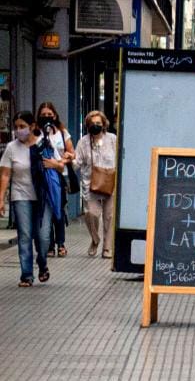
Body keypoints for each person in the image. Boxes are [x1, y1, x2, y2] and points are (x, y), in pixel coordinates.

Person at [0, 111, 66, 285]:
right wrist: (1, 199)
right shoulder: (11, 148)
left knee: (43, 237)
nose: (18, 130)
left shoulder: (44, 144)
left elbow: (61, 167)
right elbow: (5, 175)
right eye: (16, 127)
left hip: (43, 196)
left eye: (22, 126)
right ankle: (26, 275)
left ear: (33, 126)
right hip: (21, 195)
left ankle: (42, 263)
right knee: (25, 235)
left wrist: (53, 163)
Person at [74, 110, 116, 258]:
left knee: (109, 217)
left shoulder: (112, 139)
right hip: (90, 184)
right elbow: (76, 162)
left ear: (104, 124)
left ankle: (107, 248)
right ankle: (95, 239)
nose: (95, 126)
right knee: (91, 213)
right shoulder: (83, 142)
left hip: (110, 183)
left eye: (98, 123)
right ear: (87, 125)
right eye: (92, 123)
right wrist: (67, 161)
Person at [36, 102, 75, 257]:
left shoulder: (62, 132)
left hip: (59, 175)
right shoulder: (36, 132)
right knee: (46, 210)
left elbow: (72, 153)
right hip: (42, 176)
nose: (47, 117)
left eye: (49, 114)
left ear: (55, 115)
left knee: (58, 208)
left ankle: (61, 243)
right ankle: (50, 245)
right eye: (43, 115)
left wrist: (60, 162)